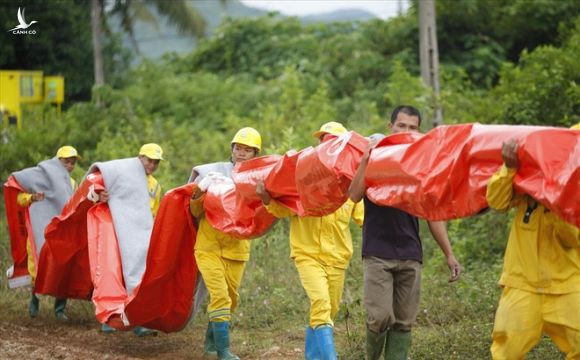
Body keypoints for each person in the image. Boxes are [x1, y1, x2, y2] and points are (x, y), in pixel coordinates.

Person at [349, 105, 461, 360]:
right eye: (401, 126)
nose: (406, 131)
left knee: (404, 322)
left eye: (412, 127)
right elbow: (354, 195)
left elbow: (433, 214)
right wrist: (366, 160)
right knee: (379, 318)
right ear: (391, 128)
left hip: (411, 254)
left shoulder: (421, 166)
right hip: (377, 253)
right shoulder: (375, 158)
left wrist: (449, 254)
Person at [255, 121, 364, 360]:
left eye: (333, 141)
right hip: (308, 254)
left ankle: (313, 356)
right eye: (324, 140)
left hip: (337, 258)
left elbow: (365, 220)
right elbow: (283, 209)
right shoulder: (301, 179)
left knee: (329, 310)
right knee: (322, 304)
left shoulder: (351, 187)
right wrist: (265, 199)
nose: (328, 144)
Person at [487, 137, 579, 359]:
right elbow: (496, 202)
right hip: (522, 282)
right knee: (506, 352)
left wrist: (557, 201)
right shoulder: (528, 174)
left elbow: (571, 240)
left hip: (567, 283)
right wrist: (509, 168)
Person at [190, 127, 262, 360]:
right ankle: (223, 351)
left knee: (231, 300)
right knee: (220, 296)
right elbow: (194, 210)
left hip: (237, 249)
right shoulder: (214, 173)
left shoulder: (257, 178)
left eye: (247, 150)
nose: (241, 153)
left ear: (255, 153)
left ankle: (211, 344)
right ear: (231, 149)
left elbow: (263, 213)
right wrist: (200, 191)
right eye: (237, 148)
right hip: (208, 245)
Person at [94, 143, 163, 337]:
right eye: (149, 160)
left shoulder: (155, 186)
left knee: (139, 276)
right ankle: (110, 318)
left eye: (156, 162)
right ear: (139, 158)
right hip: (117, 231)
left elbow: (154, 212)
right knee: (114, 274)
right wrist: (99, 196)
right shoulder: (119, 175)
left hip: (141, 235)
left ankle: (138, 321)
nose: (151, 165)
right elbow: (93, 190)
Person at [13, 145, 80, 320]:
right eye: (67, 161)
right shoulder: (39, 179)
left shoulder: (73, 184)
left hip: (62, 233)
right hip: (40, 229)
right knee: (37, 264)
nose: (70, 165)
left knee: (63, 267)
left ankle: (60, 308)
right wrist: (32, 198)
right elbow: (19, 199)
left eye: (73, 162)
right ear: (57, 162)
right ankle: (35, 298)